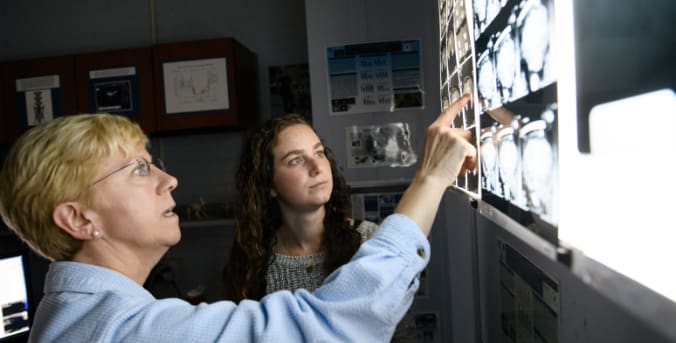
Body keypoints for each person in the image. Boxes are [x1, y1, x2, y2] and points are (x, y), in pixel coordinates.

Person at [0, 95, 475, 342]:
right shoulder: (120, 332)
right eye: (140, 168)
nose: (170, 180)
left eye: (319, 154)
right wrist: (430, 179)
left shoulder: (78, 317)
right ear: (79, 220)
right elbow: (332, 328)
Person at [221, 113, 416, 341]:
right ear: (269, 185)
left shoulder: (368, 241)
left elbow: (401, 334)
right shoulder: (251, 261)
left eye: (319, 152)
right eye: (295, 160)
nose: (316, 167)